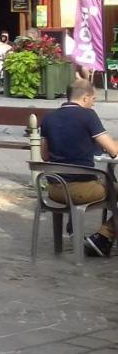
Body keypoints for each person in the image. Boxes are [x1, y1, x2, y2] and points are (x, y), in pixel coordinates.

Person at [39, 80, 118, 257]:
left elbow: (44, 156)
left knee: (109, 185)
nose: (94, 103)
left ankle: (76, 226)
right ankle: (104, 237)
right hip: (80, 189)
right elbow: (112, 150)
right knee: (110, 186)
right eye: (93, 99)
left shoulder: (49, 118)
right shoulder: (88, 115)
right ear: (85, 98)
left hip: (54, 189)